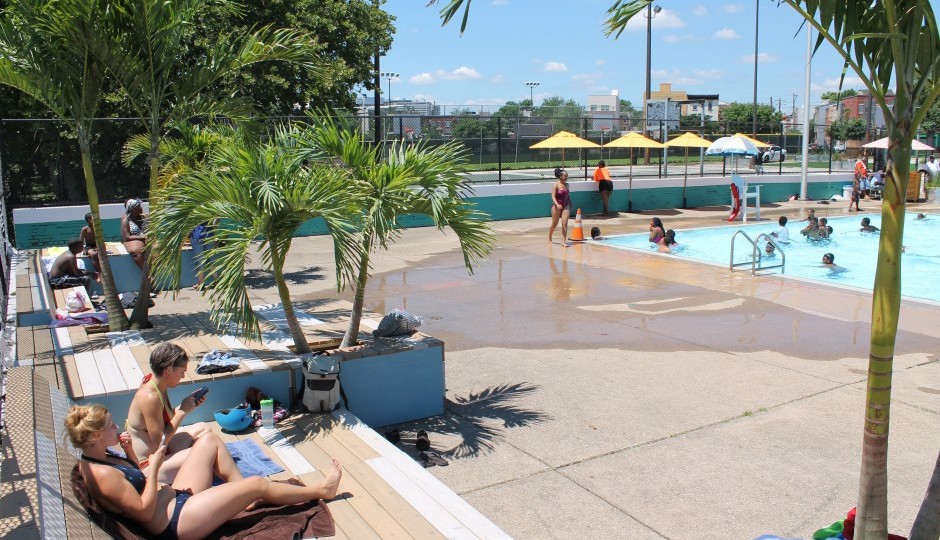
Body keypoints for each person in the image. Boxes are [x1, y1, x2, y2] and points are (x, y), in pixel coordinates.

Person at [65, 404, 342, 540]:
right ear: (97, 435)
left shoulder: (101, 458)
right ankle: (321, 490)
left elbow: (135, 482)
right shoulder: (101, 476)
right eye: (112, 427)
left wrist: (127, 455)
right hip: (177, 522)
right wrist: (156, 466)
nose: (117, 428)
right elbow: (144, 512)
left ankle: (243, 496)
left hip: (176, 499)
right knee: (257, 483)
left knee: (208, 440)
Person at [126, 343, 211, 482]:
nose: (183, 376)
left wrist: (186, 404)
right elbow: (159, 441)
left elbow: (162, 420)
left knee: (204, 428)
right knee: (204, 451)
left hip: (162, 452)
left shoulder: (156, 384)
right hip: (149, 466)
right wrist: (182, 412)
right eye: (182, 371)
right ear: (169, 370)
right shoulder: (150, 397)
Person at [549, 167, 572, 246]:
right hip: (557, 205)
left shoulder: (567, 185)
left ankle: (563, 241)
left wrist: (570, 203)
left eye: (567, 176)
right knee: (554, 223)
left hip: (566, 205)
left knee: (564, 223)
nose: (567, 177)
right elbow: (553, 196)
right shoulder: (556, 185)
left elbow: (568, 195)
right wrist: (557, 204)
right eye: (565, 176)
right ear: (561, 176)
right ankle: (550, 237)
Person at [122, 198, 148, 269]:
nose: (141, 208)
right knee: (136, 252)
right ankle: (148, 275)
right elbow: (127, 237)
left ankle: (154, 272)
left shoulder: (144, 217)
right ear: (133, 209)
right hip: (133, 239)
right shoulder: (126, 219)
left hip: (145, 238)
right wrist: (144, 237)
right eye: (138, 207)